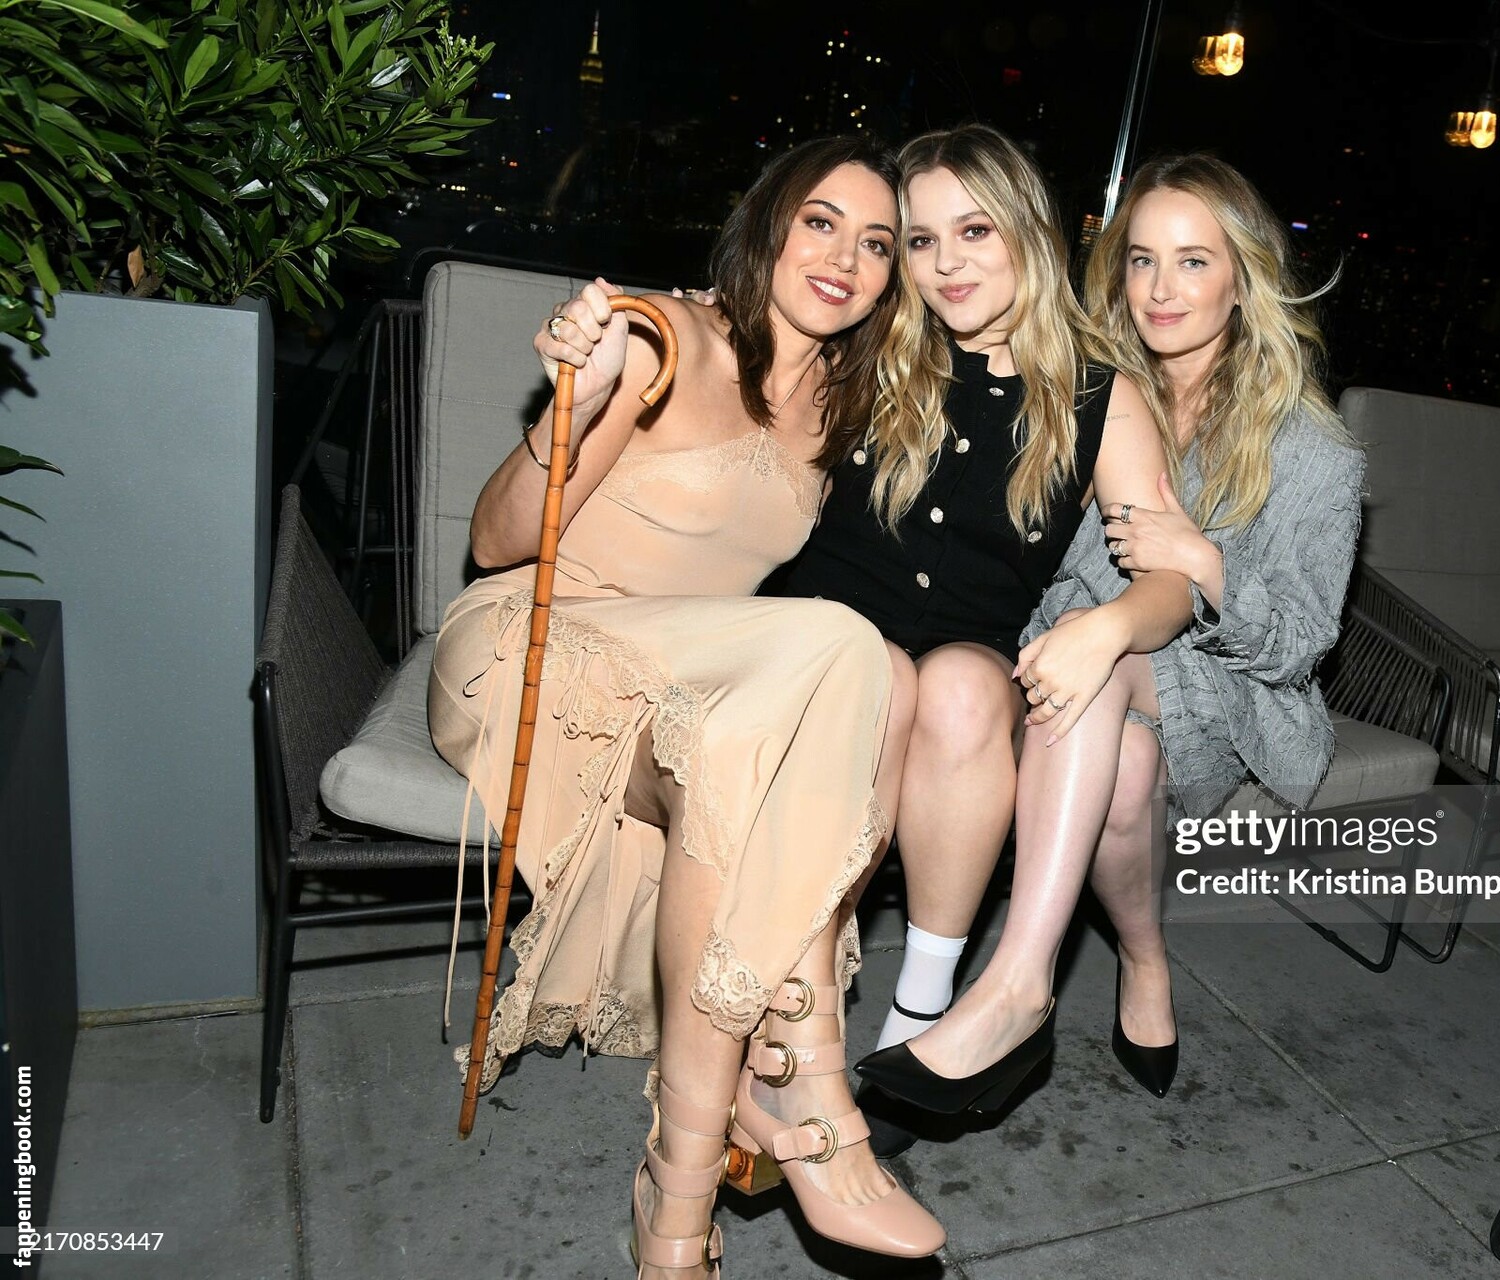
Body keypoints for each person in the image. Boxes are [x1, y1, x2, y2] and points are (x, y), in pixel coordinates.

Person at [426, 136, 943, 1279]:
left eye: (874, 243)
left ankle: (680, 1186)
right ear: (766, 222)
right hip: (542, 648)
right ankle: (802, 1068)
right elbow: (498, 540)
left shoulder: (838, 401)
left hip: (684, 686)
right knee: (842, 651)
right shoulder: (663, 338)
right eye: (821, 221)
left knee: (880, 683)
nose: (844, 258)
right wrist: (579, 397)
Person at [858, 153, 1365, 1111]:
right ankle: (1142, 955)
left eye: (1193, 262)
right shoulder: (1086, 390)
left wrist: (1206, 566)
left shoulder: (1314, 451)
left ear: (1245, 280)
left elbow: (1302, 644)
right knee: (1122, 765)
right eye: (1142, 260)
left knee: (1100, 661)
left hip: (1229, 690)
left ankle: (1017, 984)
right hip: (1075, 667)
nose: (1161, 288)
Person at [757, 123, 1195, 1134]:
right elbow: (739, 351)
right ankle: (785, 1003)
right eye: (920, 240)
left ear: (1028, 234)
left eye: (975, 231)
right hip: (823, 649)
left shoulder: (1097, 396)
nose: (947, 263)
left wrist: (1108, 626)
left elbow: (1172, 580)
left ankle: (926, 1005)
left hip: (967, 673)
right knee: (873, 670)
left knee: (956, 685)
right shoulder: (866, 350)